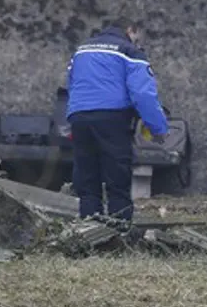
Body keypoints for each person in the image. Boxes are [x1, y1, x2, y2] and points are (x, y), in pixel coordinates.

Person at [67, 17, 169, 222]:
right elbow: (143, 95)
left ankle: (88, 228)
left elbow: (71, 84)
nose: (137, 41)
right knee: (117, 177)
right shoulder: (130, 52)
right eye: (137, 37)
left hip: (78, 117)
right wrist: (158, 129)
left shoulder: (81, 50)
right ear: (130, 30)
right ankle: (120, 229)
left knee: (87, 178)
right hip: (111, 118)